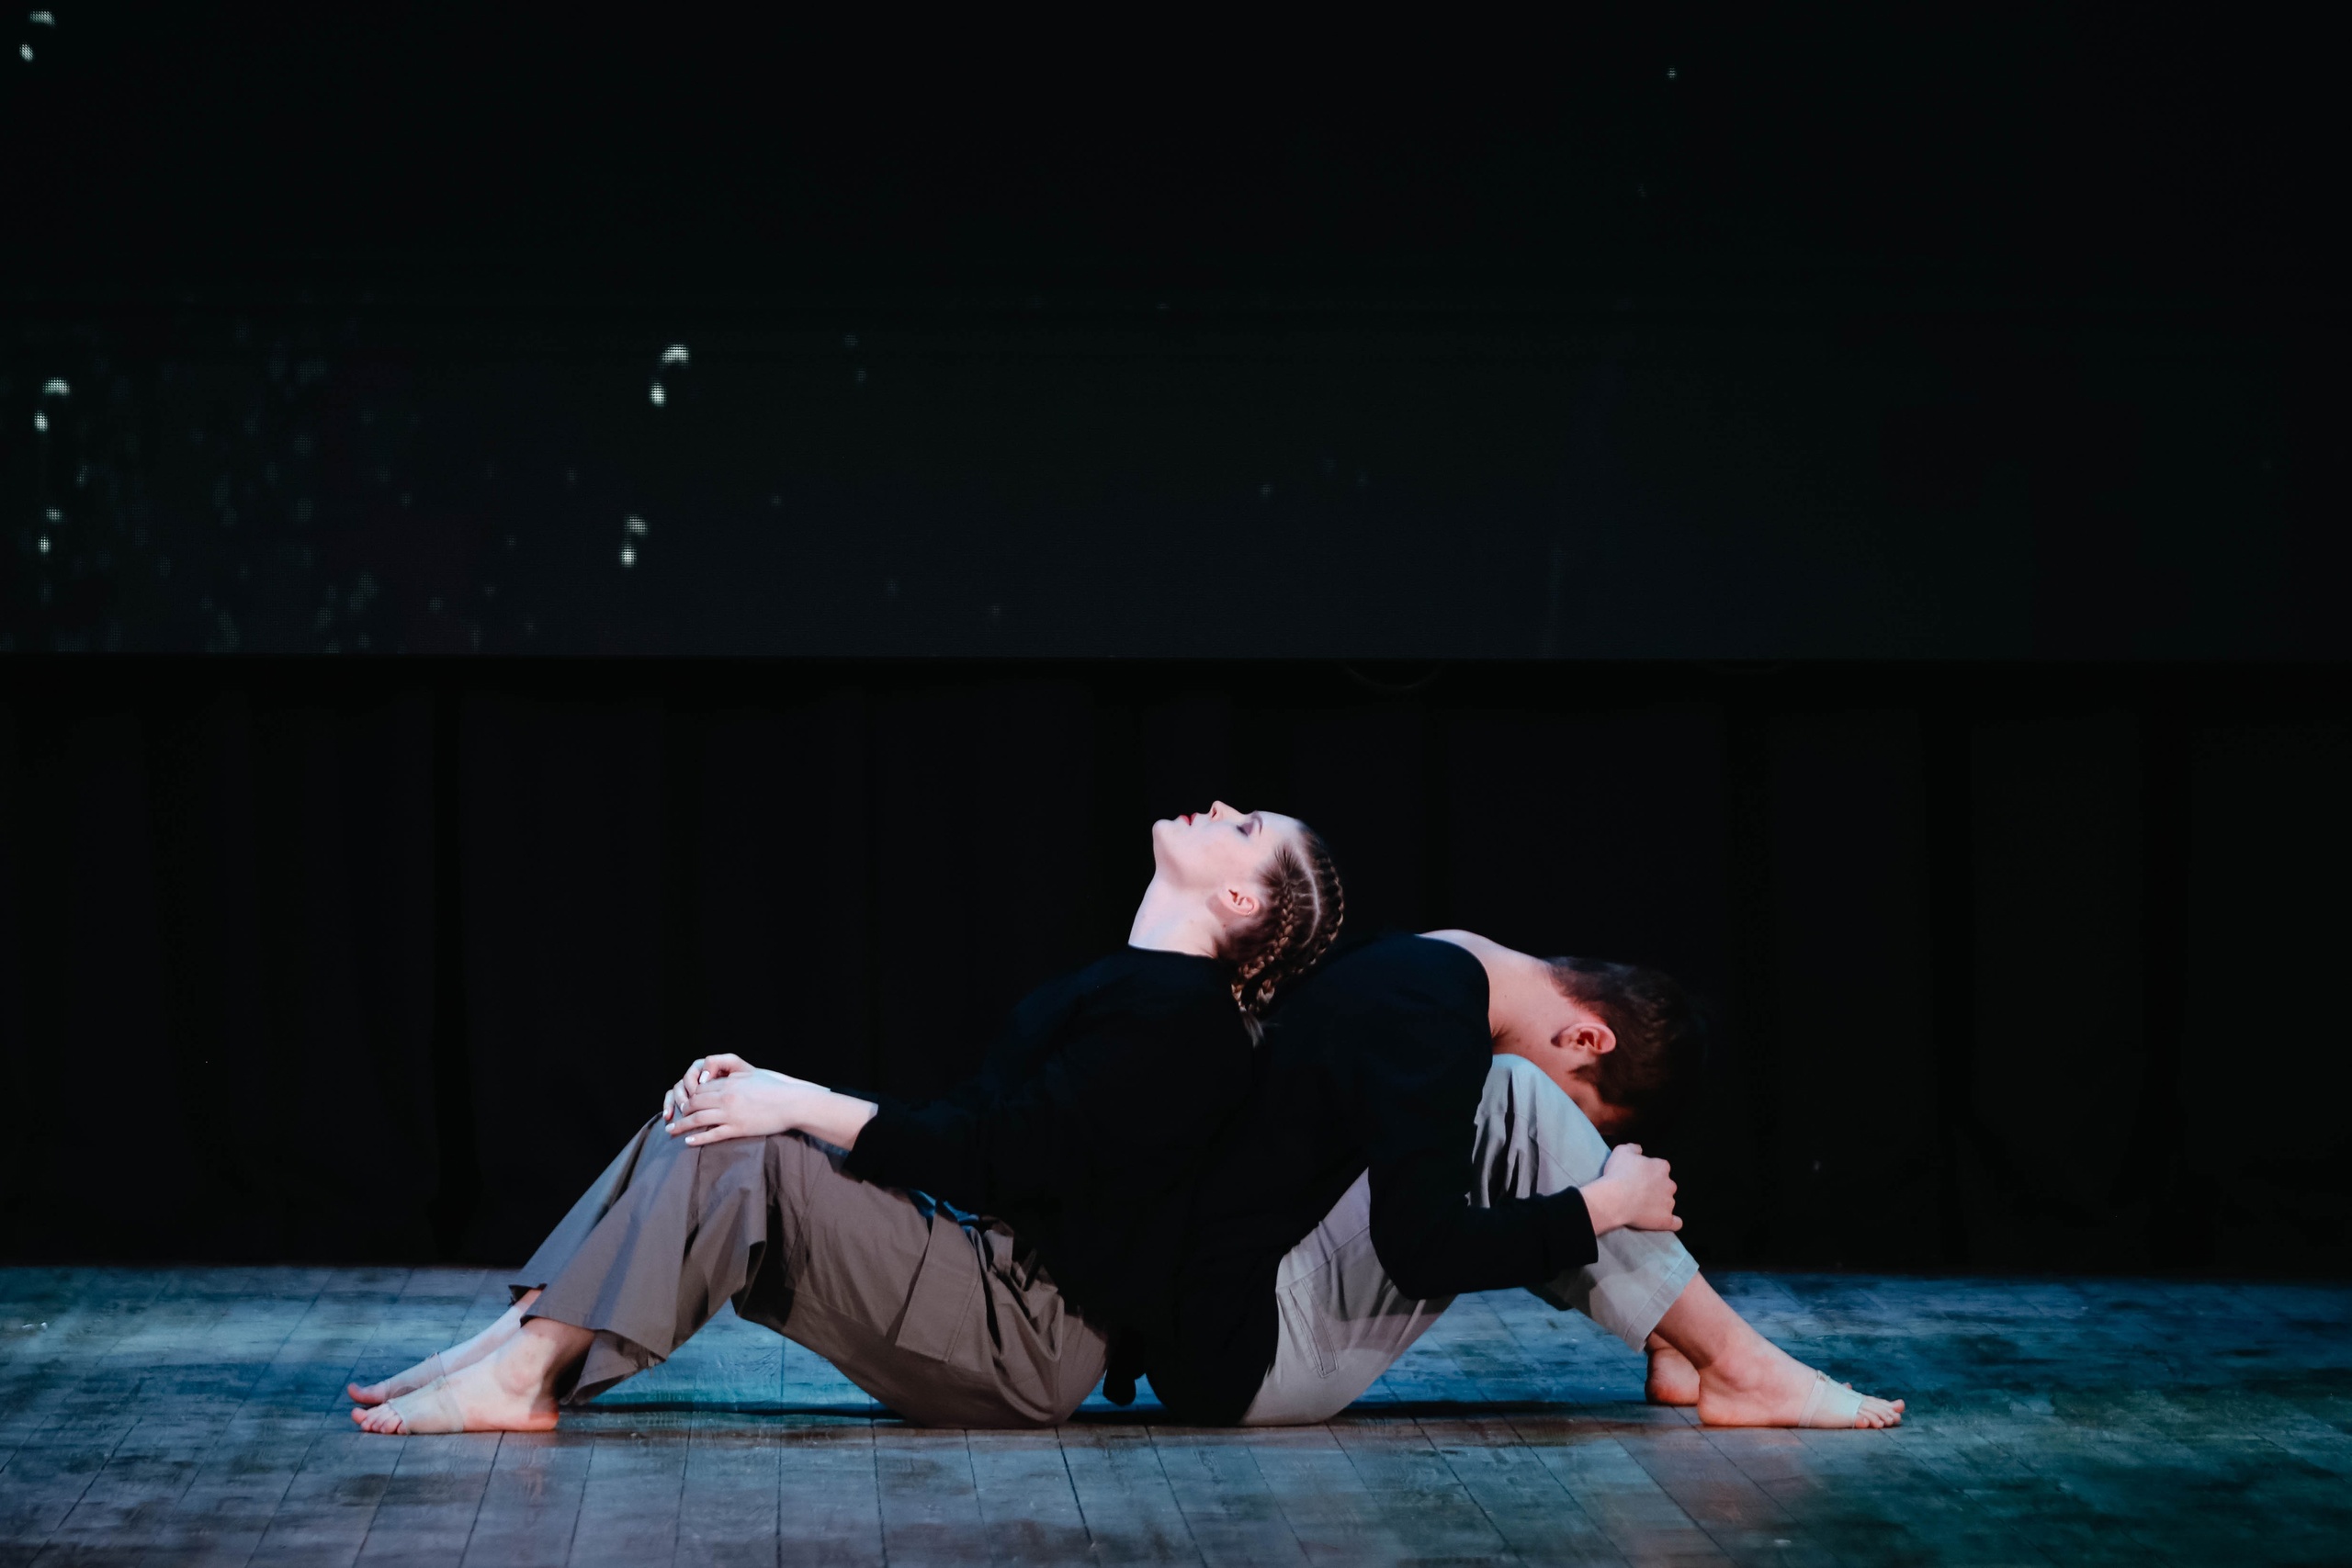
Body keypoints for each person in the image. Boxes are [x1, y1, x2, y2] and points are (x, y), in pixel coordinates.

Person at [347, 801, 1346, 1433]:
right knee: (708, 1119)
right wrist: (767, 1090)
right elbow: (976, 1124)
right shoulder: (1135, 992)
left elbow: (998, 1153)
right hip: (981, 1277)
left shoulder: (1192, 1031)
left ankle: (524, 1376)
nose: (1223, 808)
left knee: (743, 1152)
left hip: (1026, 1336)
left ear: (1239, 898)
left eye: (1246, 828)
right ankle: (515, 1343)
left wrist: (792, 1102)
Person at [1144, 927, 1904, 1429]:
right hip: (1251, 1354)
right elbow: (1422, 1252)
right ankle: (1738, 1365)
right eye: (1585, 1116)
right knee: (1516, 1096)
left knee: (1503, 1103)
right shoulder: (1435, 1019)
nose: (1574, 1136)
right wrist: (1604, 1203)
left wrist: (1598, 1209)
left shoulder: (1422, 964)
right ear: (1587, 1037)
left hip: (1219, 1333)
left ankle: (1675, 1340)